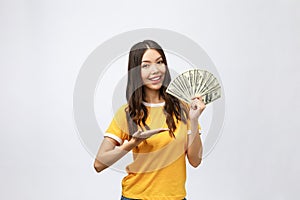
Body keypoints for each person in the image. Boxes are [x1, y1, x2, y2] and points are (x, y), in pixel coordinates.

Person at [94, 40, 206, 200]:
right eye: (145, 65)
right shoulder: (127, 113)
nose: (155, 70)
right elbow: (99, 164)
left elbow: (195, 161)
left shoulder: (184, 109)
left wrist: (194, 121)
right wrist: (132, 143)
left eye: (159, 62)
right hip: (135, 197)